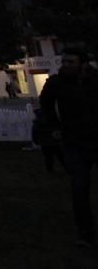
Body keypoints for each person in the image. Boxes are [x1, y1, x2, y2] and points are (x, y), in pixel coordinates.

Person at [40, 47, 98, 248]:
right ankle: (86, 233)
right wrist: (54, 126)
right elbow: (45, 104)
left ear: (82, 63)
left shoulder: (94, 80)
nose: (65, 65)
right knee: (79, 189)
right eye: (63, 62)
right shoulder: (56, 83)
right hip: (75, 143)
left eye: (70, 62)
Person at [31, 107, 65, 174]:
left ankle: (50, 169)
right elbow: (58, 130)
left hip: (44, 143)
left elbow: (34, 133)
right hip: (54, 142)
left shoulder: (37, 124)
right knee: (61, 156)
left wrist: (36, 141)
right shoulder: (52, 122)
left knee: (48, 157)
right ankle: (68, 167)